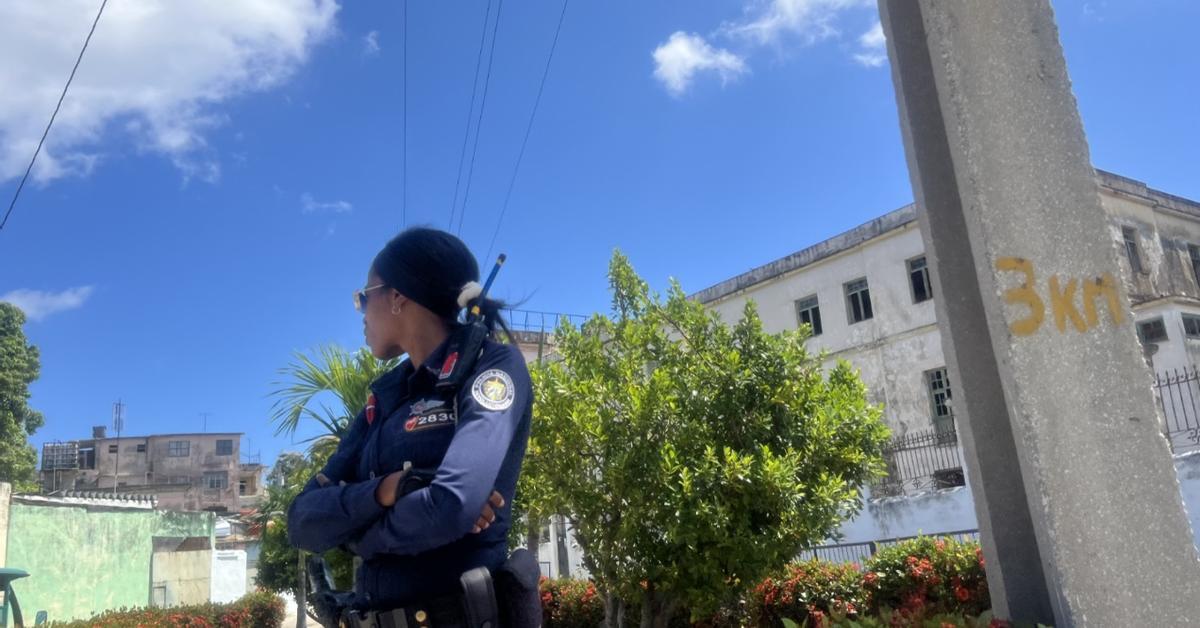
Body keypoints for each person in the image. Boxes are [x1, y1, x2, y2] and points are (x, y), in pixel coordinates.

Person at [288, 227, 533, 617]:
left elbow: (450, 505)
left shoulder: (491, 366)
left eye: (363, 298)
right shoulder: (384, 397)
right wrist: (389, 490)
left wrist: (356, 539)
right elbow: (302, 520)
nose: (362, 314)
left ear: (398, 296)